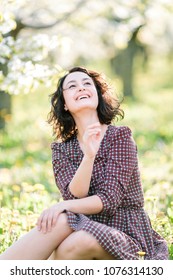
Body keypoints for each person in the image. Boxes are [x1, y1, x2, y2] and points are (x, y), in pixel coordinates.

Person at [0, 66, 169, 260]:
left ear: (97, 96)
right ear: (65, 104)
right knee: (62, 225)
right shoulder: (61, 149)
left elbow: (109, 200)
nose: (81, 88)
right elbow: (75, 196)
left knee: (71, 234)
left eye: (87, 84)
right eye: (72, 86)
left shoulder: (120, 137)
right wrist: (88, 157)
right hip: (83, 223)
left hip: (127, 232)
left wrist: (60, 206)